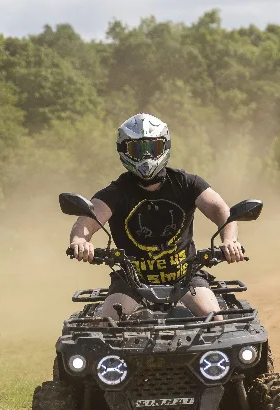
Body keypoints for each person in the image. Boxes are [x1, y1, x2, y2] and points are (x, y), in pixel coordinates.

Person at [68, 113, 245, 319]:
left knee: (213, 318)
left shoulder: (186, 183)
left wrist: (230, 240)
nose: (146, 157)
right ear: (123, 151)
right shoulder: (115, 193)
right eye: (136, 149)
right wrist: (80, 241)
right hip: (131, 282)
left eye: (152, 148)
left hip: (185, 277)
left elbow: (220, 210)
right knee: (107, 325)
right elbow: (87, 220)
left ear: (165, 147)